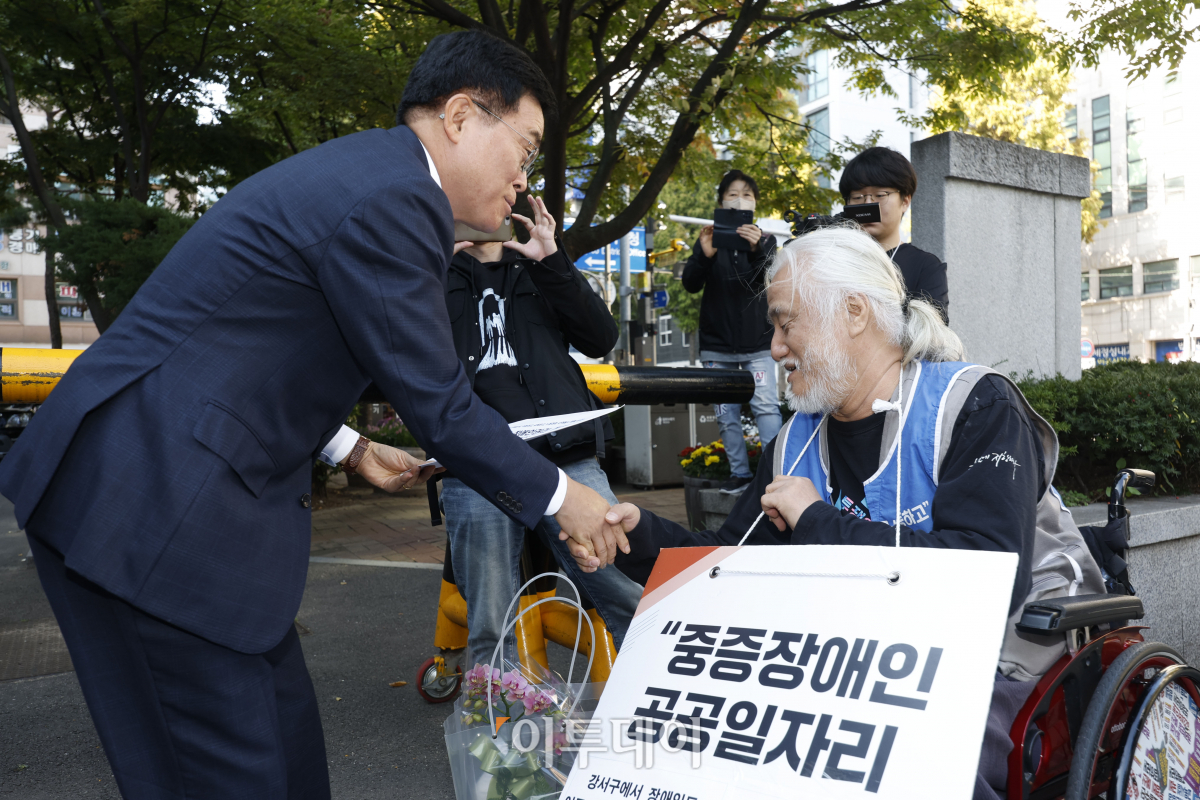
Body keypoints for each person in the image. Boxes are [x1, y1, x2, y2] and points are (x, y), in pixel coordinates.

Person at [0, 31, 629, 800]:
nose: (525, 178)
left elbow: (255, 342)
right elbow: (441, 404)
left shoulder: (373, 179)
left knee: (285, 753)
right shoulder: (399, 197)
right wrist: (565, 499)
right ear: (462, 116)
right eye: (524, 148)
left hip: (181, 503)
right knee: (222, 776)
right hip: (150, 509)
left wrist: (348, 447)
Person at [570, 225, 1104, 800]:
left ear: (853, 312)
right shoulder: (796, 440)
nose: (775, 347)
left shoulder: (973, 404)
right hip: (871, 662)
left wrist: (816, 520)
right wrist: (636, 535)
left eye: (785, 323)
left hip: (1008, 654)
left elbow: (988, 574)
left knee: (918, 758)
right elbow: (732, 566)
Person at [442, 197, 643, 665]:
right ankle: (495, 711)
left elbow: (600, 338)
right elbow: (397, 349)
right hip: (476, 460)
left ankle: (662, 687)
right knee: (491, 619)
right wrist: (430, 268)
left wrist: (552, 259)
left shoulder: (539, 266)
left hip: (564, 451)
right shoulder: (433, 274)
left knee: (622, 584)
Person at [682, 169, 782, 495]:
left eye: (747, 195)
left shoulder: (766, 241)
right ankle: (740, 475)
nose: (740, 201)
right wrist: (703, 254)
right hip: (716, 344)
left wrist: (757, 250)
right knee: (726, 414)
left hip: (758, 342)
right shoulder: (709, 240)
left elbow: (768, 284)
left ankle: (774, 475)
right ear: (721, 202)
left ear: (755, 204)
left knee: (766, 407)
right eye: (733, 195)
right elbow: (690, 283)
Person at [839, 146, 950, 321]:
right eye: (858, 197)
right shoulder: (834, 261)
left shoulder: (925, 267)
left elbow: (930, 332)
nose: (868, 204)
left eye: (880, 195)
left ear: (905, 201)